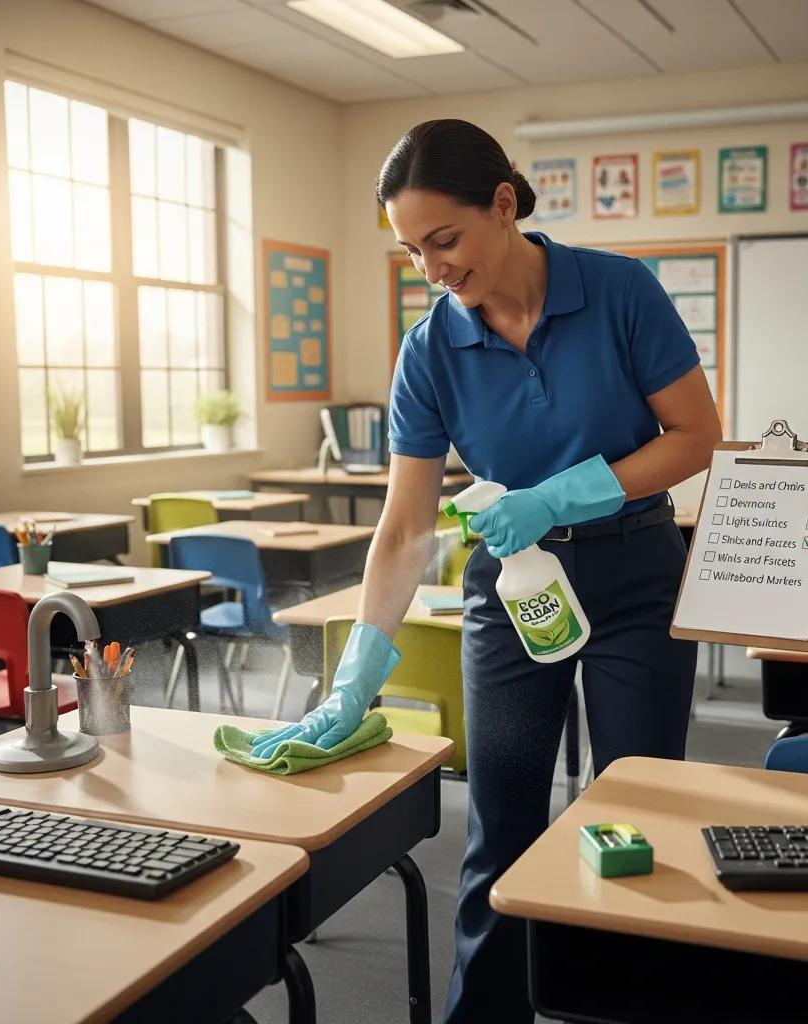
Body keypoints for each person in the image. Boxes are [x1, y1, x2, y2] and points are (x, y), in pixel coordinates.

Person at [252, 119, 722, 1023]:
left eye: (445, 241)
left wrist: (569, 493)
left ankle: (626, 1006)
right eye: (411, 251)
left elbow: (697, 437)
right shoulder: (430, 349)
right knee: (499, 827)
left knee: (636, 815)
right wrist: (357, 675)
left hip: (635, 578)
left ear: (503, 206)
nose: (432, 270)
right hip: (513, 586)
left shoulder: (621, 291)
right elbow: (405, 525)